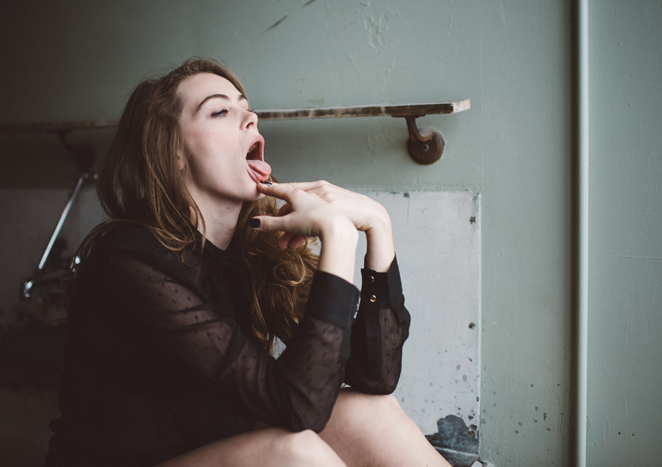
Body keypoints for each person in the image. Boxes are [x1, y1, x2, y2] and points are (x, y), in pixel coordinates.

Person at [45, 58, 450, 466]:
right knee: (296, 455)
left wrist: (378, 225)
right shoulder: (129, 258)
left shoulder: (254, 246)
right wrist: (340, 238)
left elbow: (374, 378)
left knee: (371, 412)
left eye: (247, 108)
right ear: (173, 152)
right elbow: (301, 406)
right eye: (221, 111)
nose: (251, 118)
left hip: (215, 443)